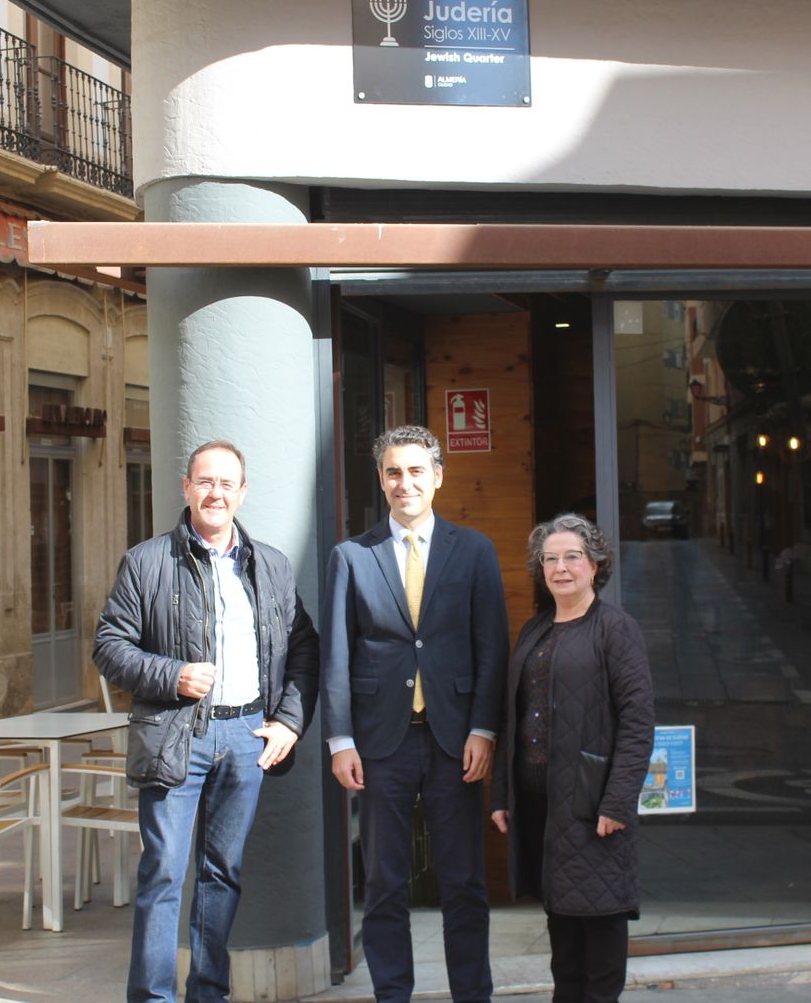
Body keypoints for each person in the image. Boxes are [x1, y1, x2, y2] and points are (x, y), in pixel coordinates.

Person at [93, 439, 319, 1003]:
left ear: (242, 493)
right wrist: (171, 675)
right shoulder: (147, 561)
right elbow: (108, 645)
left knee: (223, 875)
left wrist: (288, 721)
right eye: (205, 481)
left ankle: (209, 994)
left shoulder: (270, 564)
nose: (215, 492)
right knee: (164, 875)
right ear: (187, 487)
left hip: (247, 739)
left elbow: (303, 648)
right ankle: (153, 997)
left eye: (227, 483)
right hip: (175, 739)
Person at [322, 424, 508, 1003]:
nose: (406, 483)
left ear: (438, 478)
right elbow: (336, 654)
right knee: (383, 882)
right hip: (381, 744)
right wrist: (339, 740)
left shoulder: (473, 550)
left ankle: (471, 994)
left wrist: (483, 727)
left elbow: (492, 648)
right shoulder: (351, 556)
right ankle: (392, 995)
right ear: (381, 479)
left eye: (416, 471)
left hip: (456, 740)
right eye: (394, 472)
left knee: (463, 882)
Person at [490, 513, 655, 1003]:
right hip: (542, 807)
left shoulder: (616, 629)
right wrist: (502, 794)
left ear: (595, 565)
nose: (560, 567)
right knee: (563, 938)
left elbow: (638, 721)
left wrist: (617, 802)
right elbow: (511, 719)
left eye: (572, 557)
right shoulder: (535, 630)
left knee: (600, 932)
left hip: (592, 804)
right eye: (550, 559)